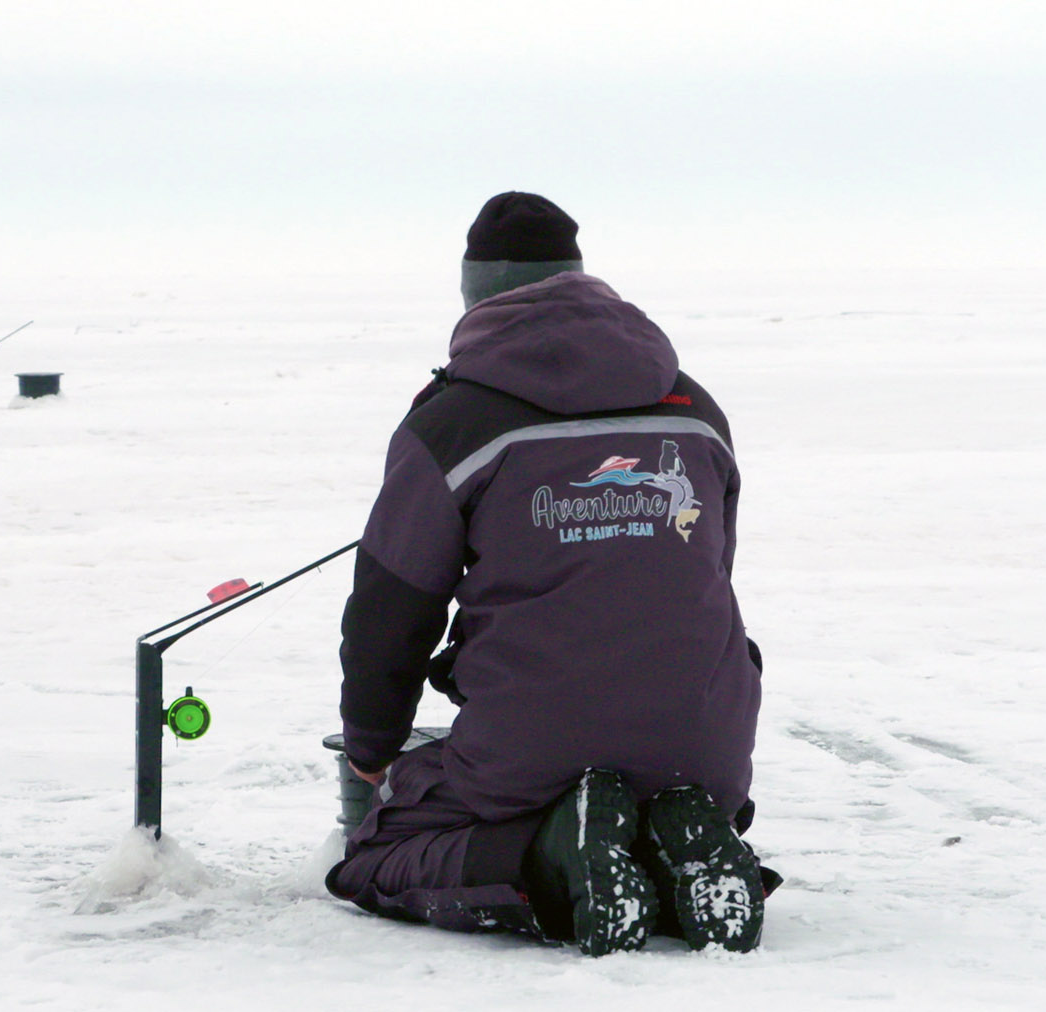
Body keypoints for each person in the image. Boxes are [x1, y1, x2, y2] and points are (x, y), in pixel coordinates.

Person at [325, 192, 772, 955]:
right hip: (704, 742)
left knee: (376, 853)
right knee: (644, 781)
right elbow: (704, 575)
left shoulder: (452, 421)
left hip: (530, 749)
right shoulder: (696, 410)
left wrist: (371, 748)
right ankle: (672, 841)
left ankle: (554, 856)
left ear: (475, 295)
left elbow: (389, 613)